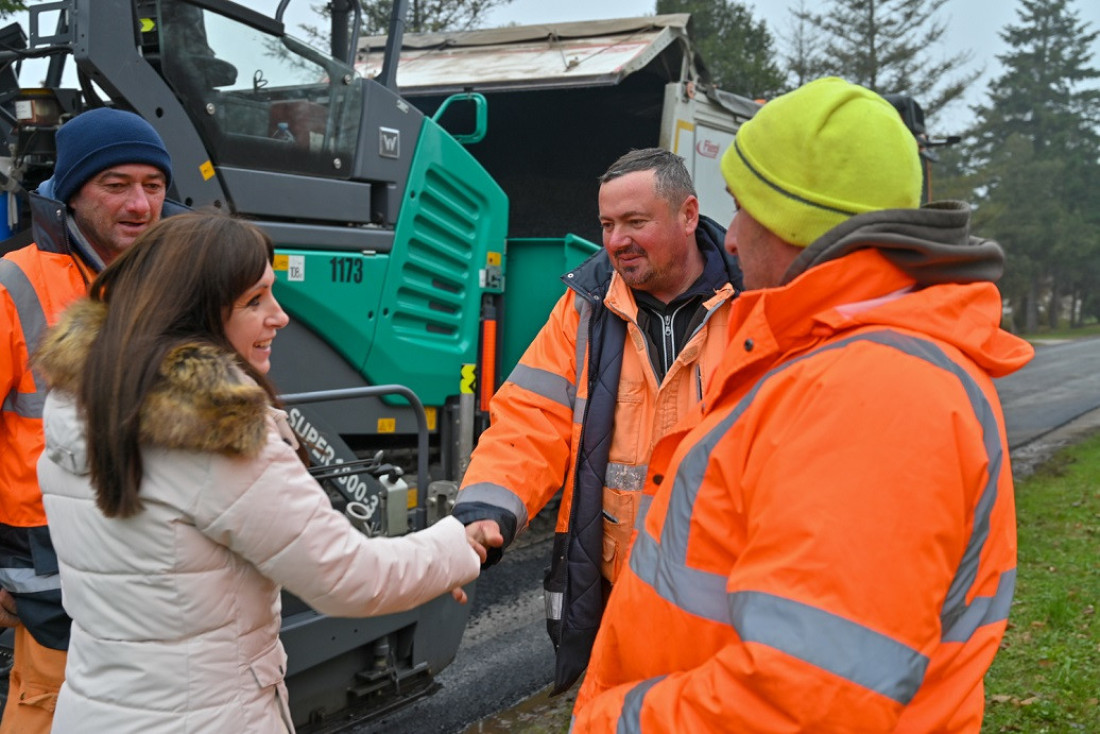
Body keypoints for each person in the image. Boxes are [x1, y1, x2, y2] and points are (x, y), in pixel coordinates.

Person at [570, 76, 1035, 732]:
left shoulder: (874, 393)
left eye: (743, 209)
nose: (730, 239)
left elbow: (803, 703)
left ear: (796, 222)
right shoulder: (839, 361)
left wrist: (609, 722)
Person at [31, 213, 499, 733]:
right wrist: (457, 545)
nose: (280, 317)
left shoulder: (78, 408)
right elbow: (348, 576)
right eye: (255, 301)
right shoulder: (217, 437)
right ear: (193, 313)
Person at [454, 148, 744, 693]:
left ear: (687, 215)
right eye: (607, 224)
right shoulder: (584, 308)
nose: (616, 241)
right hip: (615, 597)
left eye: (636, 222)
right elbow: (529, 420)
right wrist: (487, 509)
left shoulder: (756, 304)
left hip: (723, 605)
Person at [0, 106, 174, 733]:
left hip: (155, 562)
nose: (139, 204)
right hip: (52, 570)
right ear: (73, 192)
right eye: (116, 184)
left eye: (153, 186)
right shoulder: (16, 284)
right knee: (50, 710)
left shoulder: (172, 280)